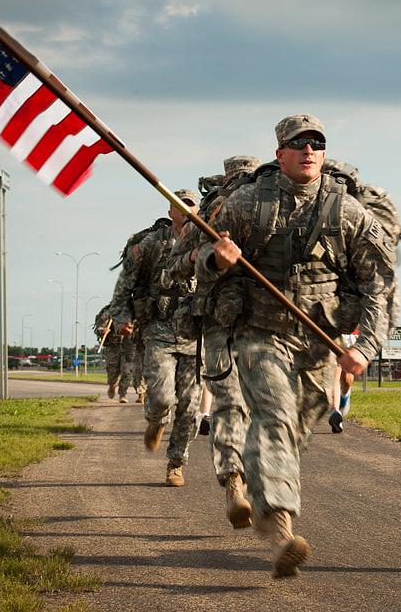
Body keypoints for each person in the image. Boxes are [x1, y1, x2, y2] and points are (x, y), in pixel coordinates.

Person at [195, 114, 395, 577]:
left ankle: (261, 485)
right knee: (275, 416)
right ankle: (281, 527)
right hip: (259, 335)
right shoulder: (246, 203)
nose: (309, 150)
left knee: (294, 431)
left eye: (317, 144)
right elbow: (191, 255)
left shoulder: (348, 212)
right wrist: (215, 258)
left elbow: (379, 286)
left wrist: (364, 348)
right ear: (280, 153)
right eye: (299, 143)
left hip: (318, 343)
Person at [168, 155, 261, 530]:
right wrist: (212, 259)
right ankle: (234, 483)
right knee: (230, 402)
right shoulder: (210, 215)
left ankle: (265, 488)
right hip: (222, 324)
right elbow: (177, 263)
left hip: (271, 327)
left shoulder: (278, 211)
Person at [109, 190, 202, 487]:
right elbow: (124, 285)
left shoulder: (207, 243)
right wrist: (122, 319)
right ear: (170, 210)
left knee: (189, 405)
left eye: (191, 207)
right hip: (158, 331)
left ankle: (175, 463)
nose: (186, 212)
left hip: (194, 334)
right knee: (162, 397)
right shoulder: (151, 244)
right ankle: (156, 420)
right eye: (181, 206)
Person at [327, 333, 358, 433]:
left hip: (351, 335)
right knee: (336, 372)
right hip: (335, 334)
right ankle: (335, 411)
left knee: (347, 378)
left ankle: (344, 398)